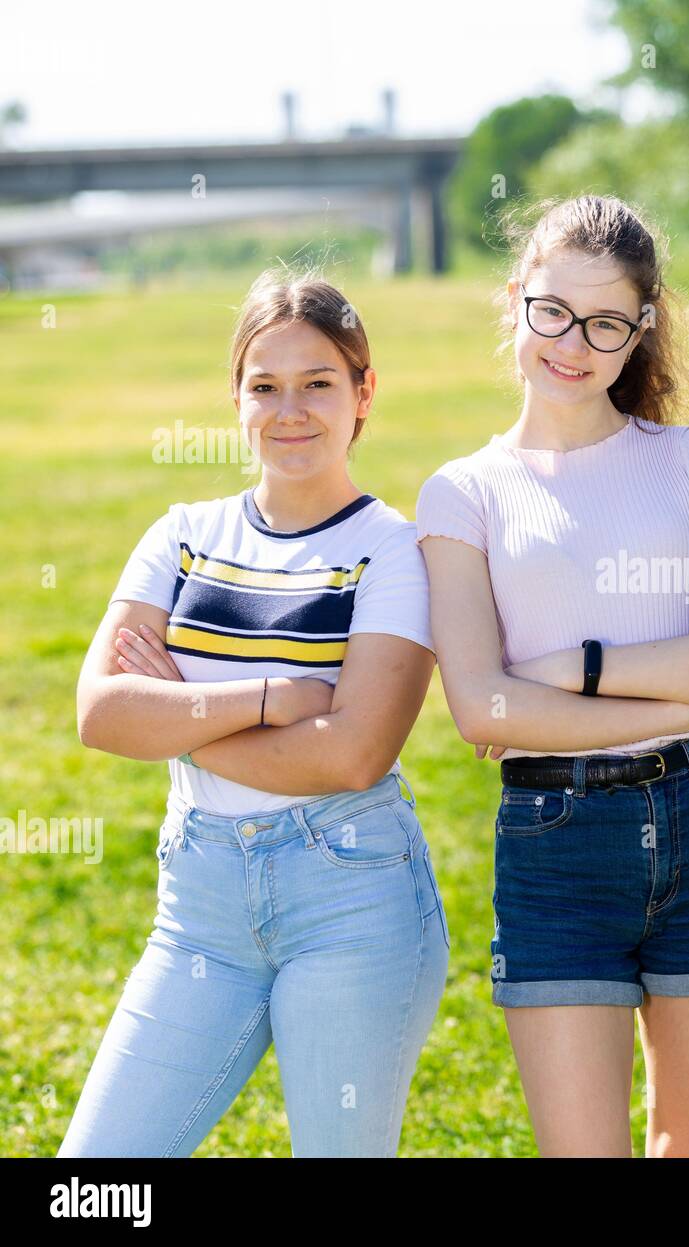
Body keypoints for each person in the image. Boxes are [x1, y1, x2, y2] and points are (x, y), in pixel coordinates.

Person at [417, 195, 689, 1157]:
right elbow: (480, 705)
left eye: (606, 323)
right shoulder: (463, 491)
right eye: (552, 312)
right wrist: (682, 699)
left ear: (640, 332)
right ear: (515, 300)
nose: (573, 344)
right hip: (556, 842)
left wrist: (575, 672)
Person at [60, 269, 447, 1157]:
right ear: (234, 400)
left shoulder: (391, 549)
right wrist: (269, 700)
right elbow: (100, 713)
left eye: (318, 383)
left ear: (364, 391)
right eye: (264, 386)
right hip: (199, 909)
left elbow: (352, 755)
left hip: (350, 899)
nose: (291, 411)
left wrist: (181, 716)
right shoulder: (183, 534)